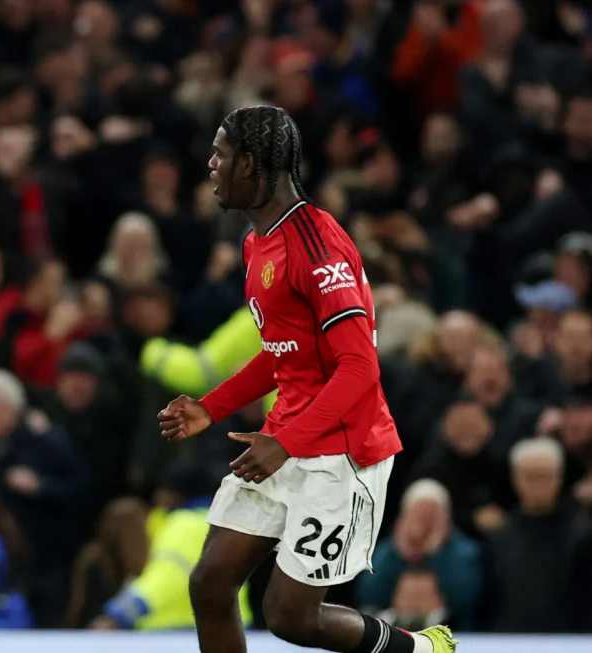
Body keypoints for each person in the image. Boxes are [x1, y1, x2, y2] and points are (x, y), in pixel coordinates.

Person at [157, 106, 457, 653]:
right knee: (210, 583)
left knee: (290, 617)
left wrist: (286, 444)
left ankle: (422, 649)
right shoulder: (256, 243)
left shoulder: (317, 246)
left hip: (344, 451)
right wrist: (212, 407)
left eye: (220, 154)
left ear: (248, 164)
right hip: (287, 437)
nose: (211, 165)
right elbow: (283, 353)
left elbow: (361, 368)